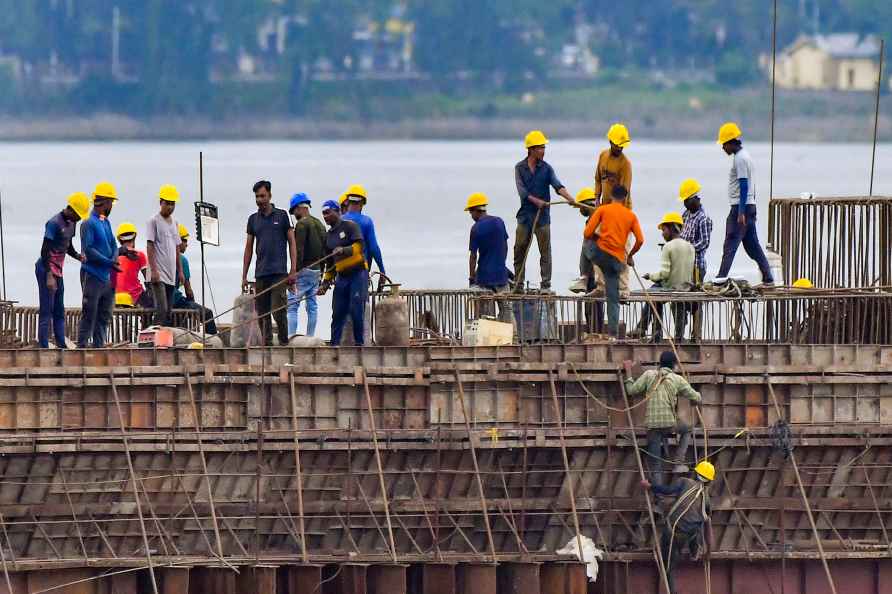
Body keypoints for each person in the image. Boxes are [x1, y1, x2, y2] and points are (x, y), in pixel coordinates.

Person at [623, 351, 702, 487]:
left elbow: (631, 390)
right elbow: (696, 397)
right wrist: (696, 399)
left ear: (660, 363)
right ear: (674, 365)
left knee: (656, 465)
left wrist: (628, 371)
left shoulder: (649, 375)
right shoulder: (677, 379)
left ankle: (658, 501)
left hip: (652, 427)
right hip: (669, 424)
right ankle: (678, 462)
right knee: (687, 429)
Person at [513, 130, 576, 291]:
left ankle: (545, 285)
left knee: (545, 253)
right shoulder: (519, 168)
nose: (543, 151)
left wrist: (570, 198)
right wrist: (537, 201)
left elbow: (557, 186)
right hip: (525, 217)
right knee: (519, 251)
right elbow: (522, 192)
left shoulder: (547, 169)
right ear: (531, 149)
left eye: (544, 147)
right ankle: (518, 285)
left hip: (542, 219)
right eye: (540, 148)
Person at [642, 461, 715, 594]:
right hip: (689, 535)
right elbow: (708, 528)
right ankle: (694, 551)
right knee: (697, 524)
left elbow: (667, 490)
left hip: (673, 532)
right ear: (709, 481)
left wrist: (650, 486)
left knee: (668, 568)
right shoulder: (707, 500)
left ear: (695, 473)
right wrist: (709, 552)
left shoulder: (684, 482)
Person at [715, 122, 774, 286]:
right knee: (752, 245)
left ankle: (720, 278)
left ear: (730, 142)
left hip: (740, 207)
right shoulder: (745, 156)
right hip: (749, 206)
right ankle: (768, 276)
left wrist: (740, 211)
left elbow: (743, 185)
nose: (723, 148)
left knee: (730, 242)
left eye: (723, 145)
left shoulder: (740, 159)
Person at [242, 180, 298, 346]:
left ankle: (283, 341)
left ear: (270, 195)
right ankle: (267, 344)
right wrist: (244, 275)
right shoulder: (253, 219)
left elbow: (292, 243)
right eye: (257, 197)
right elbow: (248, 248)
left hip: (279, 273)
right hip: (261, 273)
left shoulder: (282, 216)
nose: (260, 199)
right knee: (262, 313)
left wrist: (293, 270)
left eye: (262, 196)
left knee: (278, 310)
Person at [582, 185, 643, 336]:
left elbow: (587, 232)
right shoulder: (631, 216)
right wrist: (630, 256)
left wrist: (598, 237)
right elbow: (640, 240)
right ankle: (613, 335)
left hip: (600, 256)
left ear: (610, 196)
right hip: (617, 260)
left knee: (588, 244)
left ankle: (586, 277)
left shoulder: (602, 210)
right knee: (613, 298)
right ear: (625, 198)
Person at [35, 192, 88, 348]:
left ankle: (61, 344)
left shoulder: (72, 223)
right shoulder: (53, 223)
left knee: (59, 309)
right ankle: (43, 347)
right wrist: (49, 276)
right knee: (47, 309)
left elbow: (67, 246)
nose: (79, 219)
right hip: (45, 269)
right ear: (71, 209)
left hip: (58, 270)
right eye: (78, 215)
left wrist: (78, 256)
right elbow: (45, 251)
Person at [635, 213, 695, 341]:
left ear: (673, 228)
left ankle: (648, 330)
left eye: (664, 230)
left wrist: (650, 276)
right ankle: (679, 337)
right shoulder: (690, 247)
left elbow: (664, 274)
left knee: (652, 294)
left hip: (670, 288)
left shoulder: (668, 247)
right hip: (685, 289)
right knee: (679, 308)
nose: (662, 234)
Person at [77, 182, 120, 348]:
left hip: (106, 277)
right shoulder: (88, 223)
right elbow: (88, 250)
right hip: (92, 276)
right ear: (103, 202)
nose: (111, 206)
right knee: (89, 314)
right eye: (110, 202)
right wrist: (109, 262)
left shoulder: (105, 222)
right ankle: (81, 348)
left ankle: (98, 348)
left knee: (103, 316)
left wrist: (114, 259)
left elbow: (113, 244)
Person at [318, 200, 366, 346]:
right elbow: (330, 264)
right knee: (337, 312)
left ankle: (359, 345)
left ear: (337, 211)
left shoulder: (350, 226)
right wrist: (325, 284)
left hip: (358, 274)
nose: (325, 216)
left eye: (328, 212)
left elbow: (359, 246)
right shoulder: (328, 236)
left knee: (356, 309)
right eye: (323, 214)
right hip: (342, 277)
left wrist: (344, 250)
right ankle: (334, 345)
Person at [465, 192, 513, 325]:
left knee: (484, 313)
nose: (471, 216)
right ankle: (511, 337)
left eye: (470, 212)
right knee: (506, 309)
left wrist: (471, 278)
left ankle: (487, 338)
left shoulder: (475, 228)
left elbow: (473, 256)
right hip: (501, 276)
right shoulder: (499, 222)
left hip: (484, 278)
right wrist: (501, 263)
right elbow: (505, 246)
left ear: (476, 210)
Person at [287, 192, 326, 337]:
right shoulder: (320, 224)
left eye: (293, 211)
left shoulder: (302, 224)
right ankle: (310, 337)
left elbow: (299, 250)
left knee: (291, 305)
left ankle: (291, 337)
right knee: (312, 306)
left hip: (304, 271)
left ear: (298, 208)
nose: (294, 214)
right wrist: (322, 272)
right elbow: (324, 251)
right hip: (317, 271)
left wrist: (294, 272)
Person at [146, 184, 184, 326]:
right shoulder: (153, 221)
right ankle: (153, 338)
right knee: (161, 309)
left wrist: (180, 271)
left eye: (172, 204)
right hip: (158, 273)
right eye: (167, 203)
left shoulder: (175, 223)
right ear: (161, 202)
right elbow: (150, 245)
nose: (170, 207)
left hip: (170, 274)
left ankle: (164, 340)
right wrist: (154, 271)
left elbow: (177, 248)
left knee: (168, 311)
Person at [172, 224, 217, 335]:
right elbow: (188, 290)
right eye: (184, 240)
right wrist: (192, 304)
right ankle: (211, 343)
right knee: (207, 314)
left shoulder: (162, 256)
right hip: (175, 301)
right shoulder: (182, 260)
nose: (187, 244)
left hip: (162, 302)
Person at [341, 184, 387, 292]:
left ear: (347, 201)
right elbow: (373, 248)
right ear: (362, 203)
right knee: (360, 307)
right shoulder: (366, 222)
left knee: (342, 307)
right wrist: (382, 271)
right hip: (360, 273)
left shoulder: (339, 221)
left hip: (341, 273)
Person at [678, 178, 713, 284]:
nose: (684, 203)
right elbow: (679, 232)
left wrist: (687, 248)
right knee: (681, 296)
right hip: (683, 265)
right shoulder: (686, 214)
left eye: (686, 200)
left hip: (696, 266)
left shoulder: (703, 218)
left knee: (693, 297)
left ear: (694, 199)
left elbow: (704, 243)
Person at [568, 187, 600, 294]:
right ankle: (584, 278)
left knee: (595, 305)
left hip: (596, 271)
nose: (580, 211)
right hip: (592, 272)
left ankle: (584, 278)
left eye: (581, 207)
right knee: (592, 307)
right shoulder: (592, 219)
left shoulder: (597, 218)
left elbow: (591, 247)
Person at [594, 123, 633, 207]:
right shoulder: (603, 156)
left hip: (621, 208)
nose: (619, 148)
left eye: (622, 146)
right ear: (610, 141)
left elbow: (623, 192)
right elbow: (598, 179)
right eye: (617, 145)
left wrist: (611, 210)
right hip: (605, 206)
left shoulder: (625, 164)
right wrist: (597, 198)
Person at [113, 222, 150, 308]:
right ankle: (146, 321)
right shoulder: (139, 255)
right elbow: (148, 277)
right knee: (151, 306)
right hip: (134, 295)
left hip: (114, 295)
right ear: (134, 237)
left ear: (119, 240)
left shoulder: (113, 255)